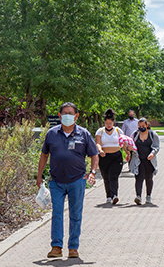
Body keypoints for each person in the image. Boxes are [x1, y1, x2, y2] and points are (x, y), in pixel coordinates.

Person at [37, 102, 98, 259]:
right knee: (57, 213)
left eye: (71, 113)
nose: (67, 116)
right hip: (56, 182)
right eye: (65, 113)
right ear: (59, 115)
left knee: (75, 214)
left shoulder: (84, 134)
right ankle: (56, 247)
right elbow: (44, 155)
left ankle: (73, 248)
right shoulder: (51, 134)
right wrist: (39, 176)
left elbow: (94, 154)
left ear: (76, 116)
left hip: (77, 180)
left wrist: (92, 172)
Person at [95, 109, 124, 205]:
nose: (109, 125)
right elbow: (98, 143)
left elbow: (124, 143)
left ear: (113, 122)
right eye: (107, 123)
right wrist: (100, 150)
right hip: (104, 157)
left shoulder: (118, 131)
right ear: (104, 122)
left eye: (110, 123)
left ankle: (114, 195)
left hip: (116, 157)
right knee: (106, 177)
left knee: (113, 176)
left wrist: (128, 152)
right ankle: (108, 196)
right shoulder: (100, 131)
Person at [129, 118, 160, 205]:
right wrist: (129, 149)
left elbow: (156, 147)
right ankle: (138, 196)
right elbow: (129, 144)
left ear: (147, 125)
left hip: (149, 160)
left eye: (143, 126)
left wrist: (153, 153)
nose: (141, 128)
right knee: (138, 178)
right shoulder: (135, 134)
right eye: (139, 126)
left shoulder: (152, 134)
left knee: (149, 178)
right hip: (138, 160)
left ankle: (148, 196)